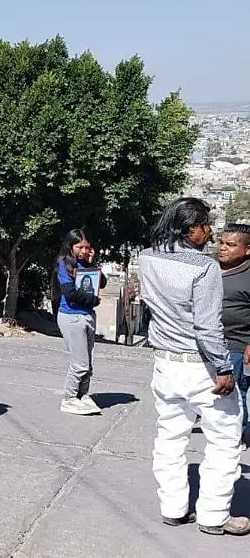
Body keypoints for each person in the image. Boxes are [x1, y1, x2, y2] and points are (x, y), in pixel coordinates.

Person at [139, 197, 248, 536]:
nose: (211, 232)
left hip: (164, 364)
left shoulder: (146, 257)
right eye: (206, 225)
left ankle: (173, 508)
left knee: (170, 437)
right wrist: (224, 369)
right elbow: (207, 326)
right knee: (225, 439)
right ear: (190, 229)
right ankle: (214, 516)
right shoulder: (204, 267)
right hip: (201, 367)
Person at [55, 230, 105, 416]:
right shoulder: (64, 265)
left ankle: (82, 395)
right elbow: (70, 293)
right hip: (71, 317)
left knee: (88, 364)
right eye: (79, 247)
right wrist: (93, 301)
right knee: (80, 364)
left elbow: (102, 282)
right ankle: (69, 398)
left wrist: (93, 263)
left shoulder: (86, 263)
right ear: (71, 247)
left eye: (87, 247)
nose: (84, 251)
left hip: (88, 316)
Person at [216, 224, 250, 446]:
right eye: (221, 242)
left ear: (247, 249)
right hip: (207, 343)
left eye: (230, 244)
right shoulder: (209, 267)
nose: (223, 248)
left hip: (236, 345)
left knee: (232, 394)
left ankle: (235, 435)